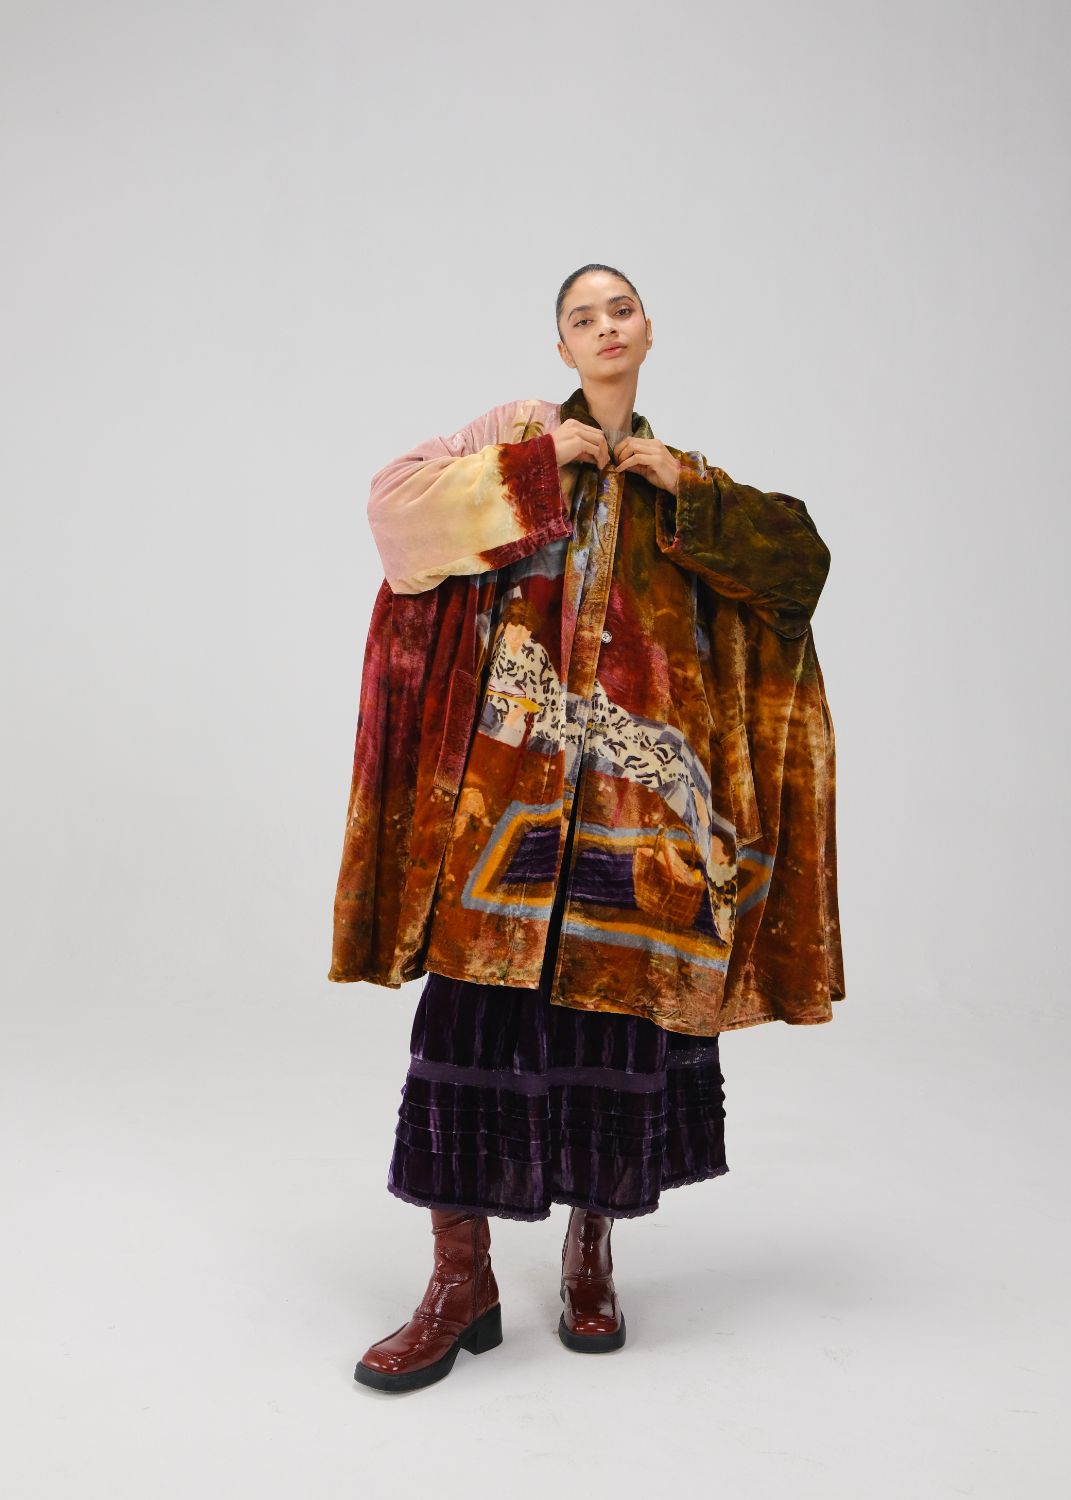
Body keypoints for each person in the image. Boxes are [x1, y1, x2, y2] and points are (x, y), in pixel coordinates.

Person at [334, 263, 844, 1393]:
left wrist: (690, 493)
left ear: (648, 332)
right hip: (502, 808)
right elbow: (394, 515)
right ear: (560, 347)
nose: (605, 327)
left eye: (621, 310)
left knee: (612, 1040)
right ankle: (459, 1282)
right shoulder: (515, 435)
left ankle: (590, 1252)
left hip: (636, 821)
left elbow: (800, 567)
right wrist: (533, 467)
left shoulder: (683, 482)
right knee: (464, 1034)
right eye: (582, 316)